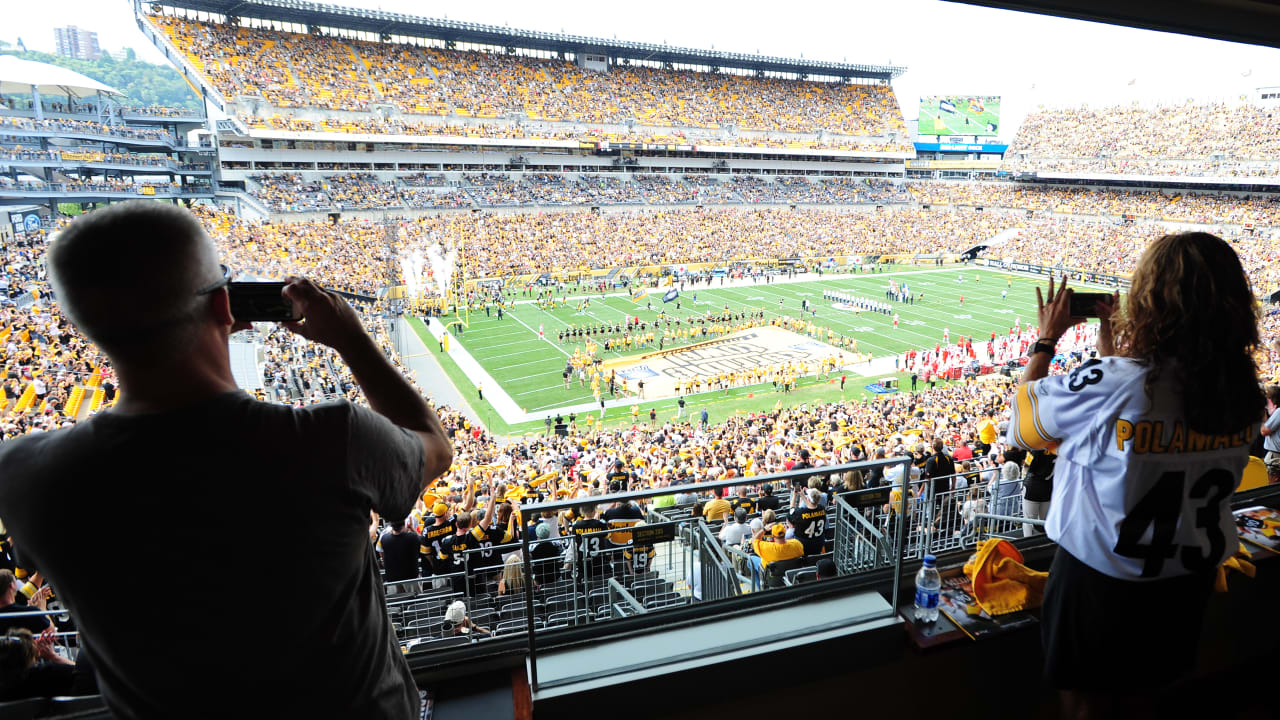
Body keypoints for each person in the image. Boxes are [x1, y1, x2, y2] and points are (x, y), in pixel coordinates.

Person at [0, 203, 454, 718]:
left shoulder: (25, 476)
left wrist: (183, 329)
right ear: (225, 303)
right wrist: (350, 338)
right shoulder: (331, 438)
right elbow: (434, 443)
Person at [1008, 233, 1263, 715]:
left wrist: (1046, 341)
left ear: (1150, 300)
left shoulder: (1117, 384)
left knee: (1085, 707)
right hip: (1187, 579)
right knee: (1154, 698)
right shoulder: (1245, 393)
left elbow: (1021, 426)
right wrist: (1110, 341)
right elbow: (1140, 409)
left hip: (1100, 579)